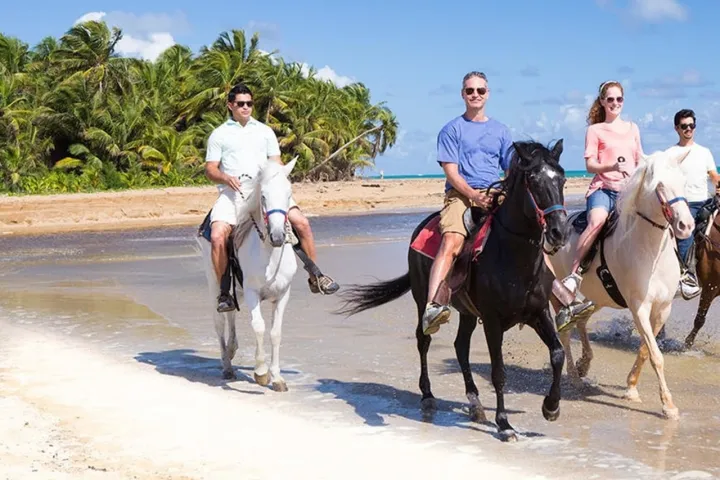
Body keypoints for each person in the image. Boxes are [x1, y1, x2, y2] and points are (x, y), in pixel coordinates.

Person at [420, 71, 593, 335]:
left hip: (496, 193)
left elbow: (510, 169)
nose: (475, 95)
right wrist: (474, 195)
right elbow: (451, 173)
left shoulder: (500, 130)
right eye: (470, 91)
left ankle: (564, 305)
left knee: (533, 240)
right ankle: (433, 305)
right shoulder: (451, 130)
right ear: (462, 94)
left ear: (487, 94)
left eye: (480, 90)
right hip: (461, 195)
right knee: (451, 242)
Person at [205, 83, 339, 312]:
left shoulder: (265, 131)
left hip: (266, 192)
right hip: (233, 193)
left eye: (249, 103)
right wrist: (226, 178)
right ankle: (224, 293)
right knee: (218, 236)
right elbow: (210, 169)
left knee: (302, 224)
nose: (246, 107)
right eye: (240, 104)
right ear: (230, 106)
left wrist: (279, 183)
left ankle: (315, 276)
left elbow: (275, 162)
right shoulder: (219, 134)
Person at [555, 80, 643, 331]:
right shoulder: (595, 130)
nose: (615, 103)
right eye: (610, 99)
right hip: (603, 189)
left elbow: (640, 158)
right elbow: (590, 165)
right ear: (602, 101)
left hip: (628, 191)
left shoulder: (633, 128)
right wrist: (611, 167)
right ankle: (573, 275)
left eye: (619, 99)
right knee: (597, 222)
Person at [666, 108, 720, 299]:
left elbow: (712, 174)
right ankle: (688, 275)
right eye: (684, 126)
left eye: (691, 125)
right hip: (683, 206)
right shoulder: (671, 153)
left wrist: (718, 181)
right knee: (686, 234)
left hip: (705, 203)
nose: (688, 129)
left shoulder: (704, 152)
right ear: (677, 128)